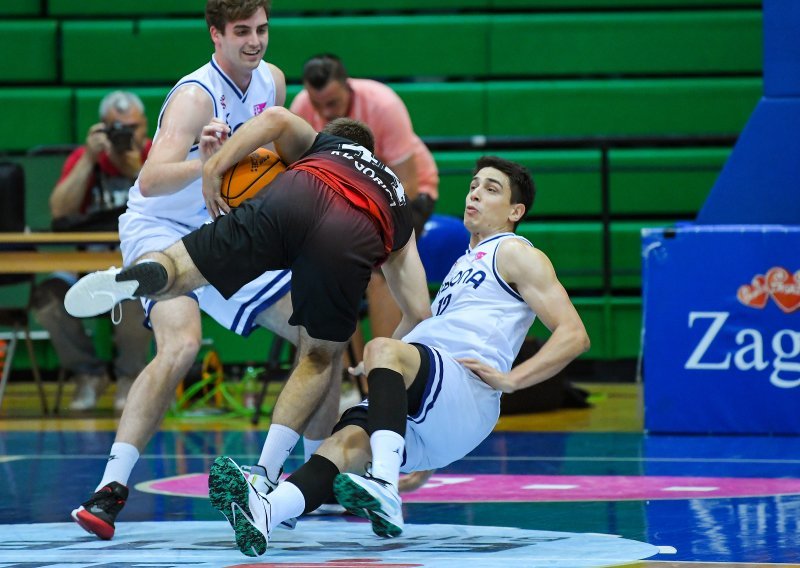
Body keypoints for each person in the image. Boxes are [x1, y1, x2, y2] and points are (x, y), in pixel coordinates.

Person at [65, 111, 432, 539]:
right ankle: (265, 473)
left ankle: (142, 275)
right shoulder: (396, 197)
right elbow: (419, 311)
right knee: (317, 357)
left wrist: (215, 167)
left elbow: (276, 118)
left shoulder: (322, 147)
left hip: (295, 196)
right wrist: (383, 357)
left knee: (181, 266)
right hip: (352, 233)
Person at [205, 156, 591, 557]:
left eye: (491, 189)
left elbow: (574, 334)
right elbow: (422, 323)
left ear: (516, 211)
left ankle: (384, 488)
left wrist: (512, 380)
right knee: (342, 444)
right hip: (433, 410)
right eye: (474, 185)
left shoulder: (515, 252)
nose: (475, 193)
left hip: (464, 387)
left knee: (381, 347)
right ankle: (267, 512)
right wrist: (378, 367)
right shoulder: (465, 261)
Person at [67, 0, 316, 541]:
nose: (255, 41)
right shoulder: (195, 96)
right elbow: (151, 180)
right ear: (216, 34)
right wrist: (209, 162)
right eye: (242, 32)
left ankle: (316, 479)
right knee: (180, 346)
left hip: (223, 228)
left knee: (318, 333)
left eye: (262, 29)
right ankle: (108, 490)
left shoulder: (271, 81)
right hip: (161, 227)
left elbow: (273, 156)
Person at [290, 53, 439, 354]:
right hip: (343, 203)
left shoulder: (383, 105)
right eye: (318, 105)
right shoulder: (302, 108)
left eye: (332, 103)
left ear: (348, 86)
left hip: (404, 195)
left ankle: (384, 367)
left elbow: (406, 185)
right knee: (325, 269)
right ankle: (345, 376)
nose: (324, 112)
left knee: (377, 269)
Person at [31, 90, 153, 411]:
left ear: (146, 127)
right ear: (102, 129)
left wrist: (132, 165)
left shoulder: (157, 153)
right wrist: (88, 158)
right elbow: (59, 210)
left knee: (135, 293)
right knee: (47, 298)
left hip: (137, 267)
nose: (127, 135)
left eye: (133, 128)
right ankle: (88, 374)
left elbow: (163, 201)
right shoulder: (85, 157)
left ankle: (130, 377)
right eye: (117, 128)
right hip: (87, 268)